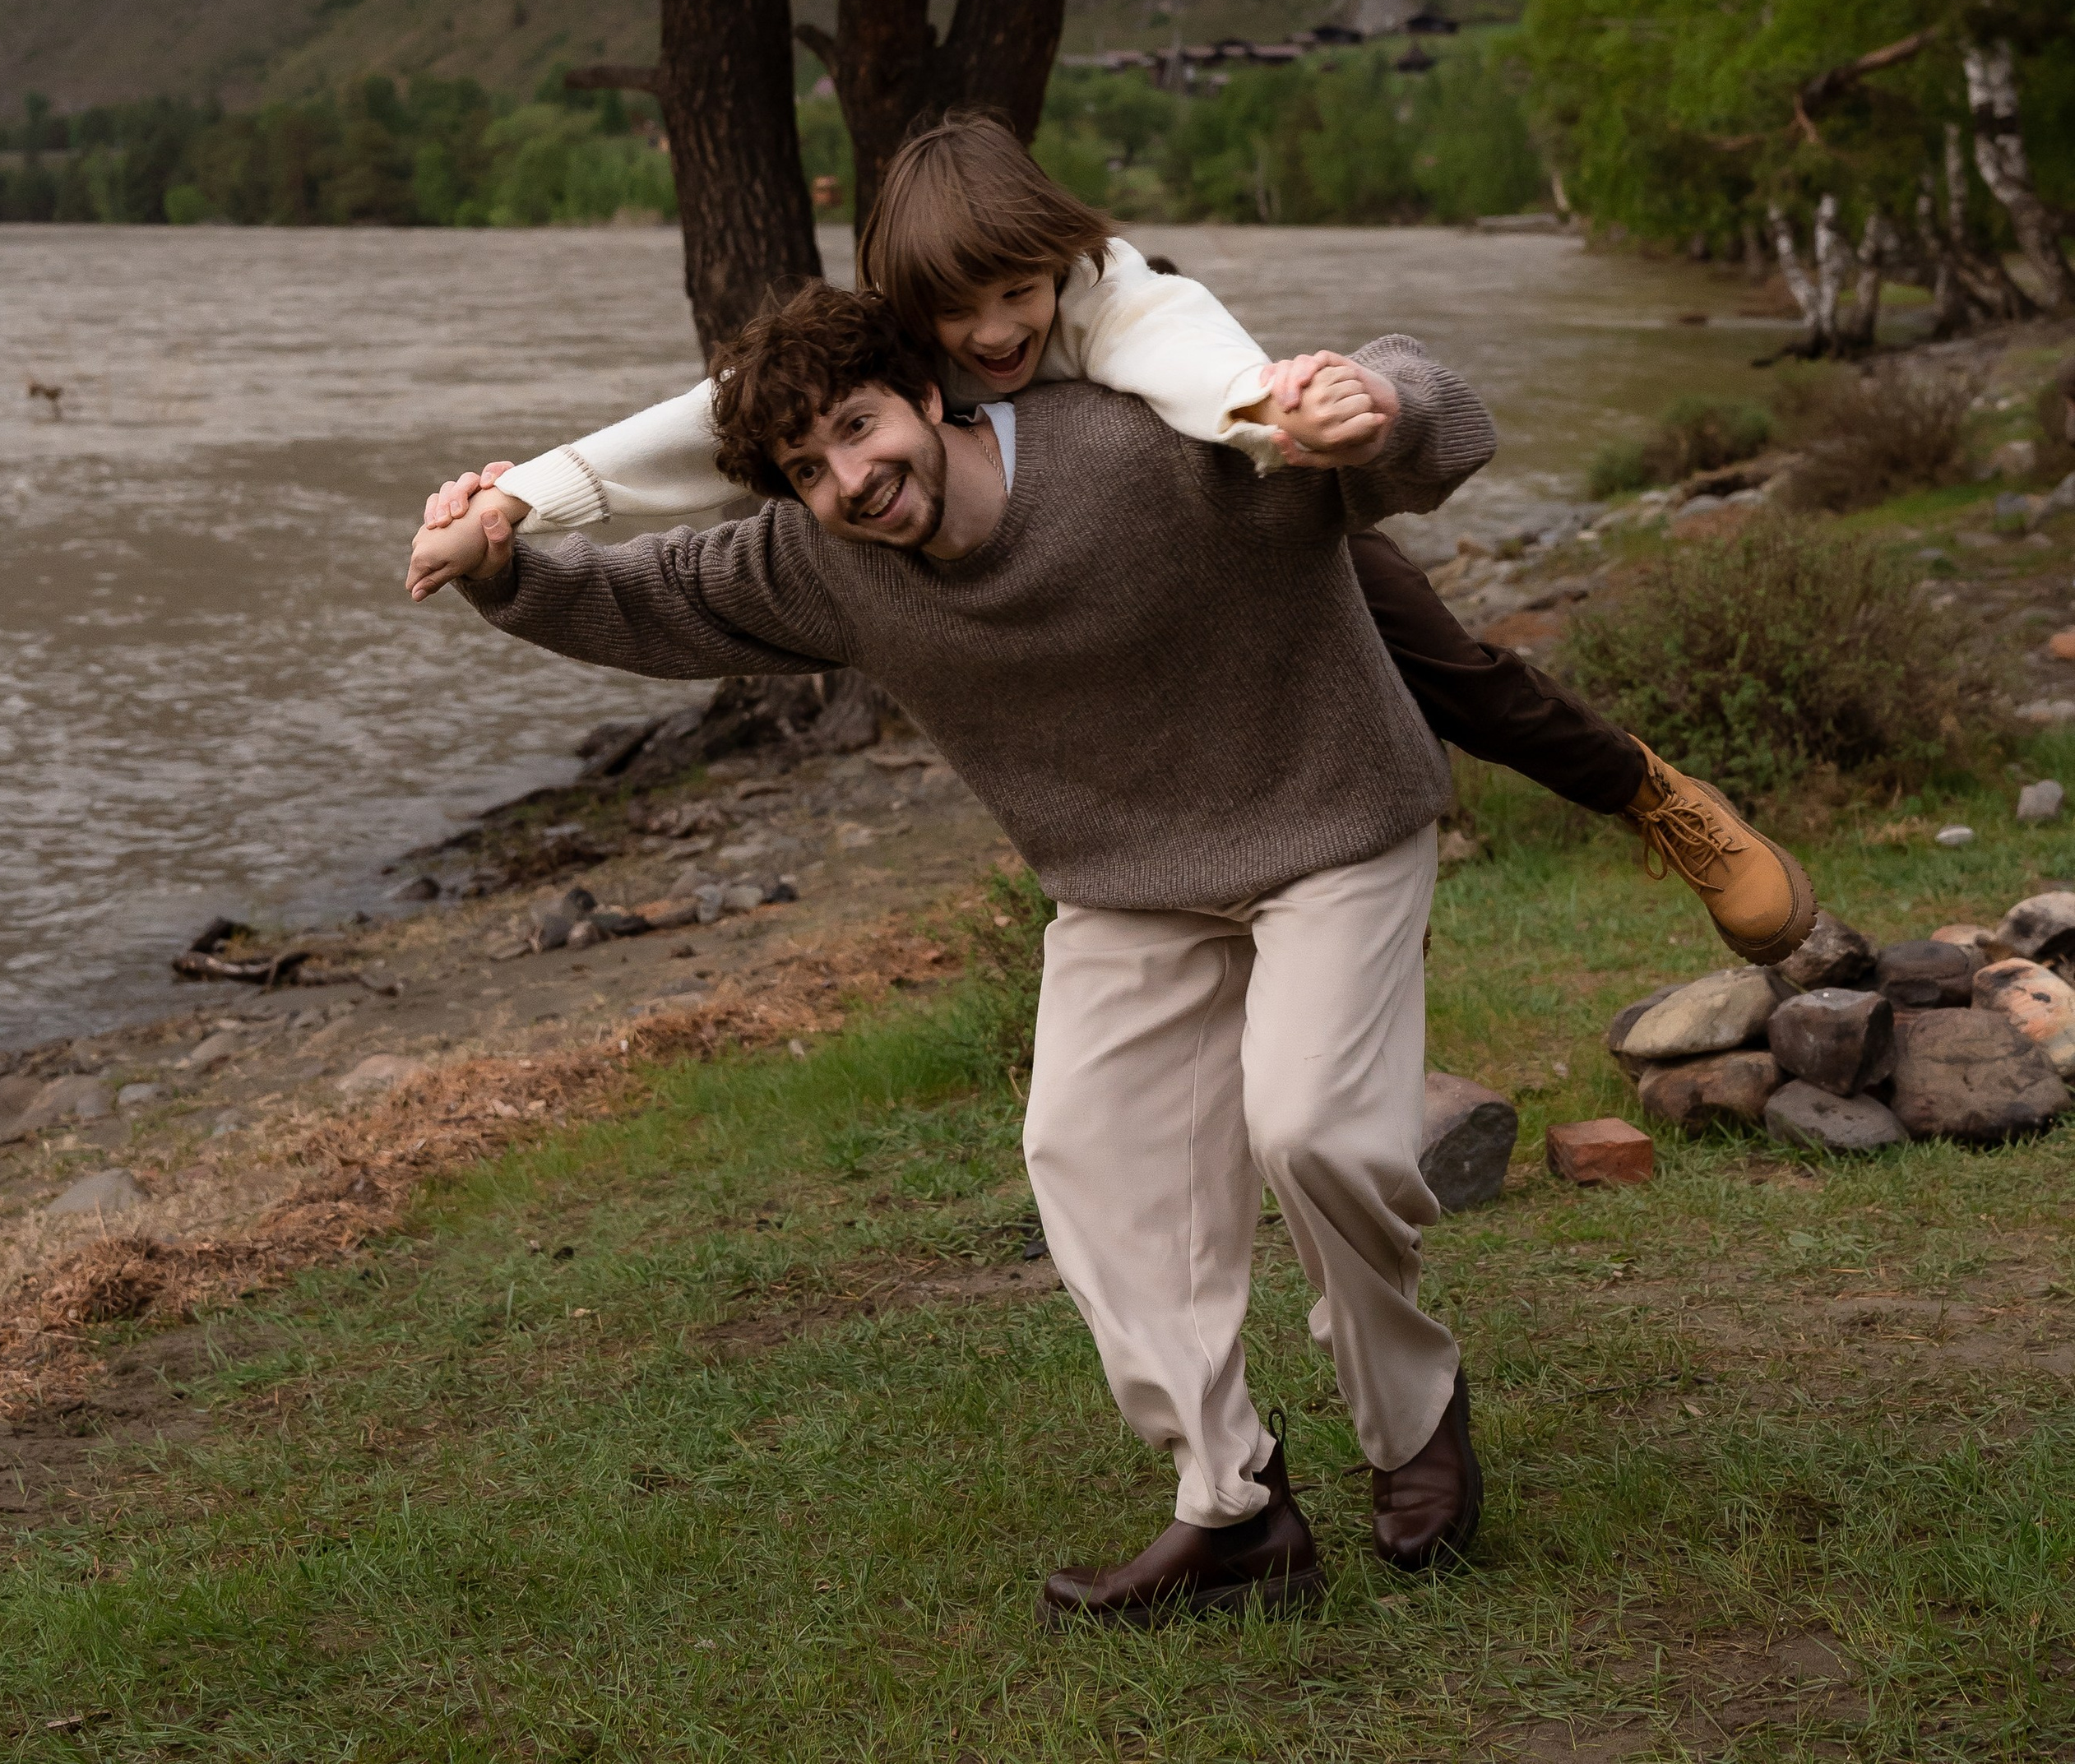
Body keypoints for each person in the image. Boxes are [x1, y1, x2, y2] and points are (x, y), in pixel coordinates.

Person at [410, 278, 1499, 1619]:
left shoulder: (1139, 448)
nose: (852, 480)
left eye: (863, 429)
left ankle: (1413, 1415)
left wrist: (1382, 405)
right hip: (1130, 885)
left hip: (1330, 818)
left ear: (933, 396)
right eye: (809, 469)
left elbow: (1404, 443)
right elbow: (649, 600)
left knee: (1311, 1129)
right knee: (1084, 1155)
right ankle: (1235, 1509)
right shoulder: (825, 567)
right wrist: (502, 564)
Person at [415, 117, 1812, 965]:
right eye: (964, 319)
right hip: (1083, 590)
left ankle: (1653, 799)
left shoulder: (1117, 294)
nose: (1000, 334)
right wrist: (526, 502)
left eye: (1025, 294)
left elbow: (1209, 367)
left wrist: (1291, 416)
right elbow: (699, 423)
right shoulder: (897, 362)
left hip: (1238, 498)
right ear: (909, 317)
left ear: (1066, 259)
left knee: (1450, 672)